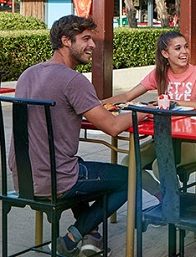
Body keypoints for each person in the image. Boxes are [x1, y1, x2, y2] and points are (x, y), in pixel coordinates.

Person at [9, 15, 147, 257]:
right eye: (86, 39)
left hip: (24, 178)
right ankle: (74, 235)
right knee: (131, 178)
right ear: (66, 41)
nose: (92, 45)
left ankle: (92, 236)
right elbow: (113, 127)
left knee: (80, 166)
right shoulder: (73, 80)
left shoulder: (28, 74)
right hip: (56, 179)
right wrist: (146, 111)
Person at [103, 31, 196, 201]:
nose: (184, 52)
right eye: (178, 48)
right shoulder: (159, 73)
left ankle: (176, 205)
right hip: (163, 137)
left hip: (191, 141)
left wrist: (174, 102)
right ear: (165, 53)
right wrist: (98, 104)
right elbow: (128, 96)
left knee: (159, 166)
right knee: (128, 164)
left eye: (185, 47)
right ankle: (164, 197)